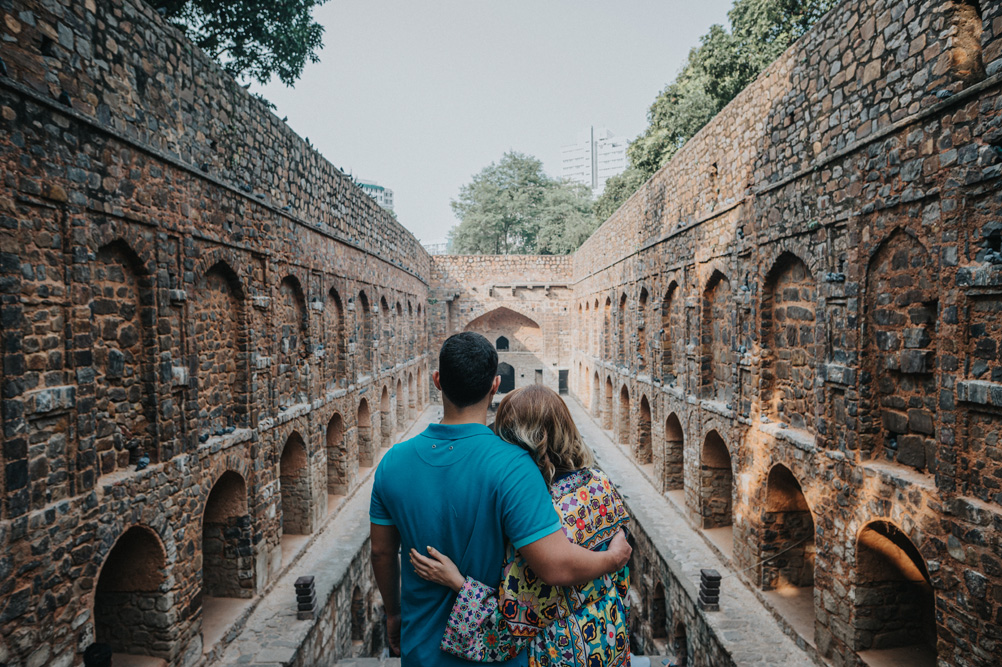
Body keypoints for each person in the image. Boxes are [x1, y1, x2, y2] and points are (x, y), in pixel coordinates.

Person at [370, 332, 632, 666]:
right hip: (502, 655)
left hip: (421, 645)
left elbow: (381, 552)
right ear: (495, 385)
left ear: (437, 381)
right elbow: (554, 567)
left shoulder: (392, 463)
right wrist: (614, 558)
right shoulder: (515, 467)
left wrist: (394, 614)